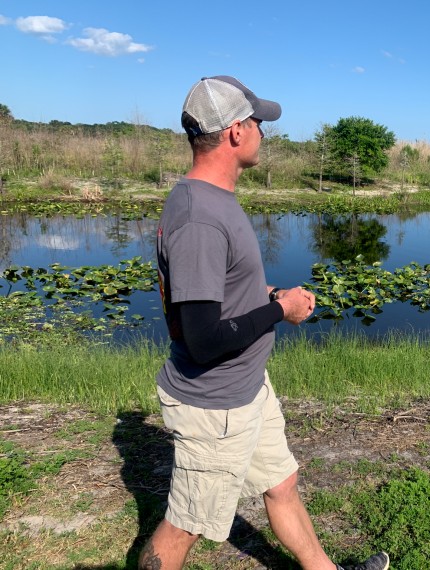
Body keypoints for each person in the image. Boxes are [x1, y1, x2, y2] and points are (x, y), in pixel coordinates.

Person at [139, 75, 389, 570]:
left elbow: (222, 293)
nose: (263, 133)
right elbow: (204, 339)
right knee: (186, 525)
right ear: (234, 131)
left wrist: (270, 293)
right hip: (217, 407)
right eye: (257, 123)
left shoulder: (213, 200)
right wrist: (281, 310)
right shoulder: (199, 218)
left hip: (248, 388)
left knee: (282, 484)